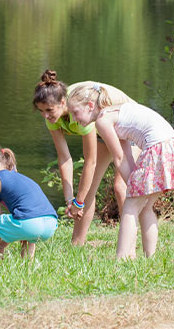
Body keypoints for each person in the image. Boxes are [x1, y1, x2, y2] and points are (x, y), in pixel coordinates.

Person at [66, 83, 174, 259]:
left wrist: (133, 190)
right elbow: (126, 158)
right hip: (173, 146)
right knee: (145, 206)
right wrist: (135, 185)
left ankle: (121, 260)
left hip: (158, 148)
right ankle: (150, 257)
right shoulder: (116, 113)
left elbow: (119, 158)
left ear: (90, 106)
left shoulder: (102, 121)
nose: (74, 120)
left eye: (75, 113)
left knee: (130, 206)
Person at [32, 70, 140, 245]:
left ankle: (130, 245)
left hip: (130, 125)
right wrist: (70, 199)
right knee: (88, 189)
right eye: (41, 111)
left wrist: (79, 203)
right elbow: (64, 158)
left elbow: (90, 161)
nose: (45, 115)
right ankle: (77, 245)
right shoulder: (52, 116)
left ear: (62, 102)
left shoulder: (79, 112)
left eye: (49, 110)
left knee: (120, 187)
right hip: (105, 128)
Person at [0, 139, 58, 260]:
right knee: (25, 226)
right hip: (51, 224)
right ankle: (27, 264)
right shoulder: (20, 177)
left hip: (30, 224)